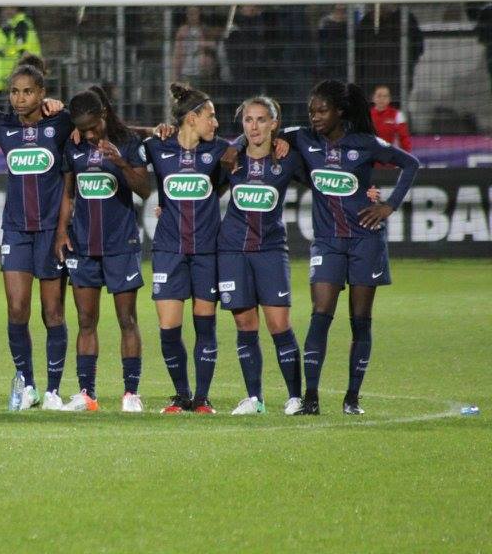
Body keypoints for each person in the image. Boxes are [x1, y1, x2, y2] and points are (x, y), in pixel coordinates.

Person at [274, 80, 420, 415]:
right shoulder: (304, 138)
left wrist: (390, 205)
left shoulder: (365, 143)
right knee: (319, 316)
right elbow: (269, 130)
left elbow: (410, 163)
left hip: (366, 241)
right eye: (312, 111)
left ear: (340, 111)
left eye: (322, 111)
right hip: (327, 242)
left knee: (360, 321)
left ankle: (352, 398)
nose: (315, 118)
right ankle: (311, 397)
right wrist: (279, 140)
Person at [54, 87, 151, 413]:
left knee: (127, 319)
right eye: (83, 129)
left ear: (104, 115)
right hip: (83, 245)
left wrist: (120, 162)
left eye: (93, 126)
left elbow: (145, 189)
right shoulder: (74, 146)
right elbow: (69, 193)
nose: (90, 134)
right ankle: (87, 394)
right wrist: (60, 233)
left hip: (120, 245)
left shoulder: (128, 143)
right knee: (85, 320)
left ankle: (131, 393)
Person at [0, 57, 71, 410]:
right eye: (14, 92)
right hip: (16, 229)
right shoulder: (3, 129)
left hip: (51, 231)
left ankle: (52, 389)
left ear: (42, 94)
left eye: (28, 92)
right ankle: (28, 385)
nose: (19, 99)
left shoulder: (60, 124)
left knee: (53, 313)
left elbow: (98, 121)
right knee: (17, 310)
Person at [144, 83, 229, 415]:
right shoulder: (157, 146)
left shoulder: (220, 150)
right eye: (210, 116)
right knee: (169, 328)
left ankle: (202, 398)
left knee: (205, 325)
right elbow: (126, 137)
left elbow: (256, 148)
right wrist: (155, 128)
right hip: (168, 250)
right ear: (192, 119)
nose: (216, 123)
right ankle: (181, 395)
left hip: (207, 251)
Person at [218, 97, 305, 415]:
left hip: (270, 250)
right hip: (233, 251)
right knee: (244, 323)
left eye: (260, 120)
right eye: (248, 120)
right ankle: (254, 399)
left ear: (273, 123)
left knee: (279, 324)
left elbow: (311, 139)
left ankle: (295, 397)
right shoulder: (230, 159)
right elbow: (207, 190)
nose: (253, 126)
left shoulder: (288, 158)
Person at [370, 85, 411, 152]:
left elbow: (404, 138)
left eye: (385, 96)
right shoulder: (366, 116)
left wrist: (406, 155)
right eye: (379, 96)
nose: (382, 99)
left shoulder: (398, 115)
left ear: (389, 99)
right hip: (371, 156)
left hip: (390, 156)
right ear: (373, 98)